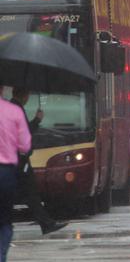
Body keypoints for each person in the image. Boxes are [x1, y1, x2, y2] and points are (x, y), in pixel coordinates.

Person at [8, 89, 67, 233]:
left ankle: (46, 223)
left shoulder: (12, 107)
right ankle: (46, 224)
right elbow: (23, 132)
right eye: (27, 94)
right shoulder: (16, 109)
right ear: (24, 95)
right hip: (20, 161)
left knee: (29, 195)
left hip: (17, 159)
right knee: (30, 194)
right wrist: (37, 120)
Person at [0, 89, 31, 261]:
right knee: (4, 221)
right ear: (2, 90)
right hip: (6, 173)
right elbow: (25, 146)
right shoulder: (14, 111)